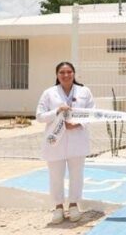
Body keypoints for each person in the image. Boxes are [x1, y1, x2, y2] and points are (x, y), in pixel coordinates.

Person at [35, 62, 95, 224]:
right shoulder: (49, 93)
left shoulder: (84, 91)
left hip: (77, 139)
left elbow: (91, 113)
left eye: (69, 72)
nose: (66, 75)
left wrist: (78, 123)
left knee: (77, 175)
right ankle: (58, 207)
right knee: (56, 176)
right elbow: (40, 116)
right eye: (62, 72)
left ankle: (74, 205)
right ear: (57, 75)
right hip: (55, 141)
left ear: (74, 74)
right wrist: (56, 111)